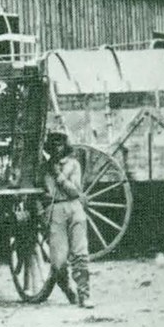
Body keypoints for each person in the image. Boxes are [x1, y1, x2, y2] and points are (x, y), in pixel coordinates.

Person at [43, 131, 94, 309]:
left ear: (65, 146)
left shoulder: (73, 165)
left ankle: (84, 294)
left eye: (60, 144)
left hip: (74, 207)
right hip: (54, 210)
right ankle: (67, 290)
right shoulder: (42, 167)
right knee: (58, 261)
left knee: (80, 253)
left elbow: (75, 191)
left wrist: (58, 176)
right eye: (54, 144)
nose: (57, 148)